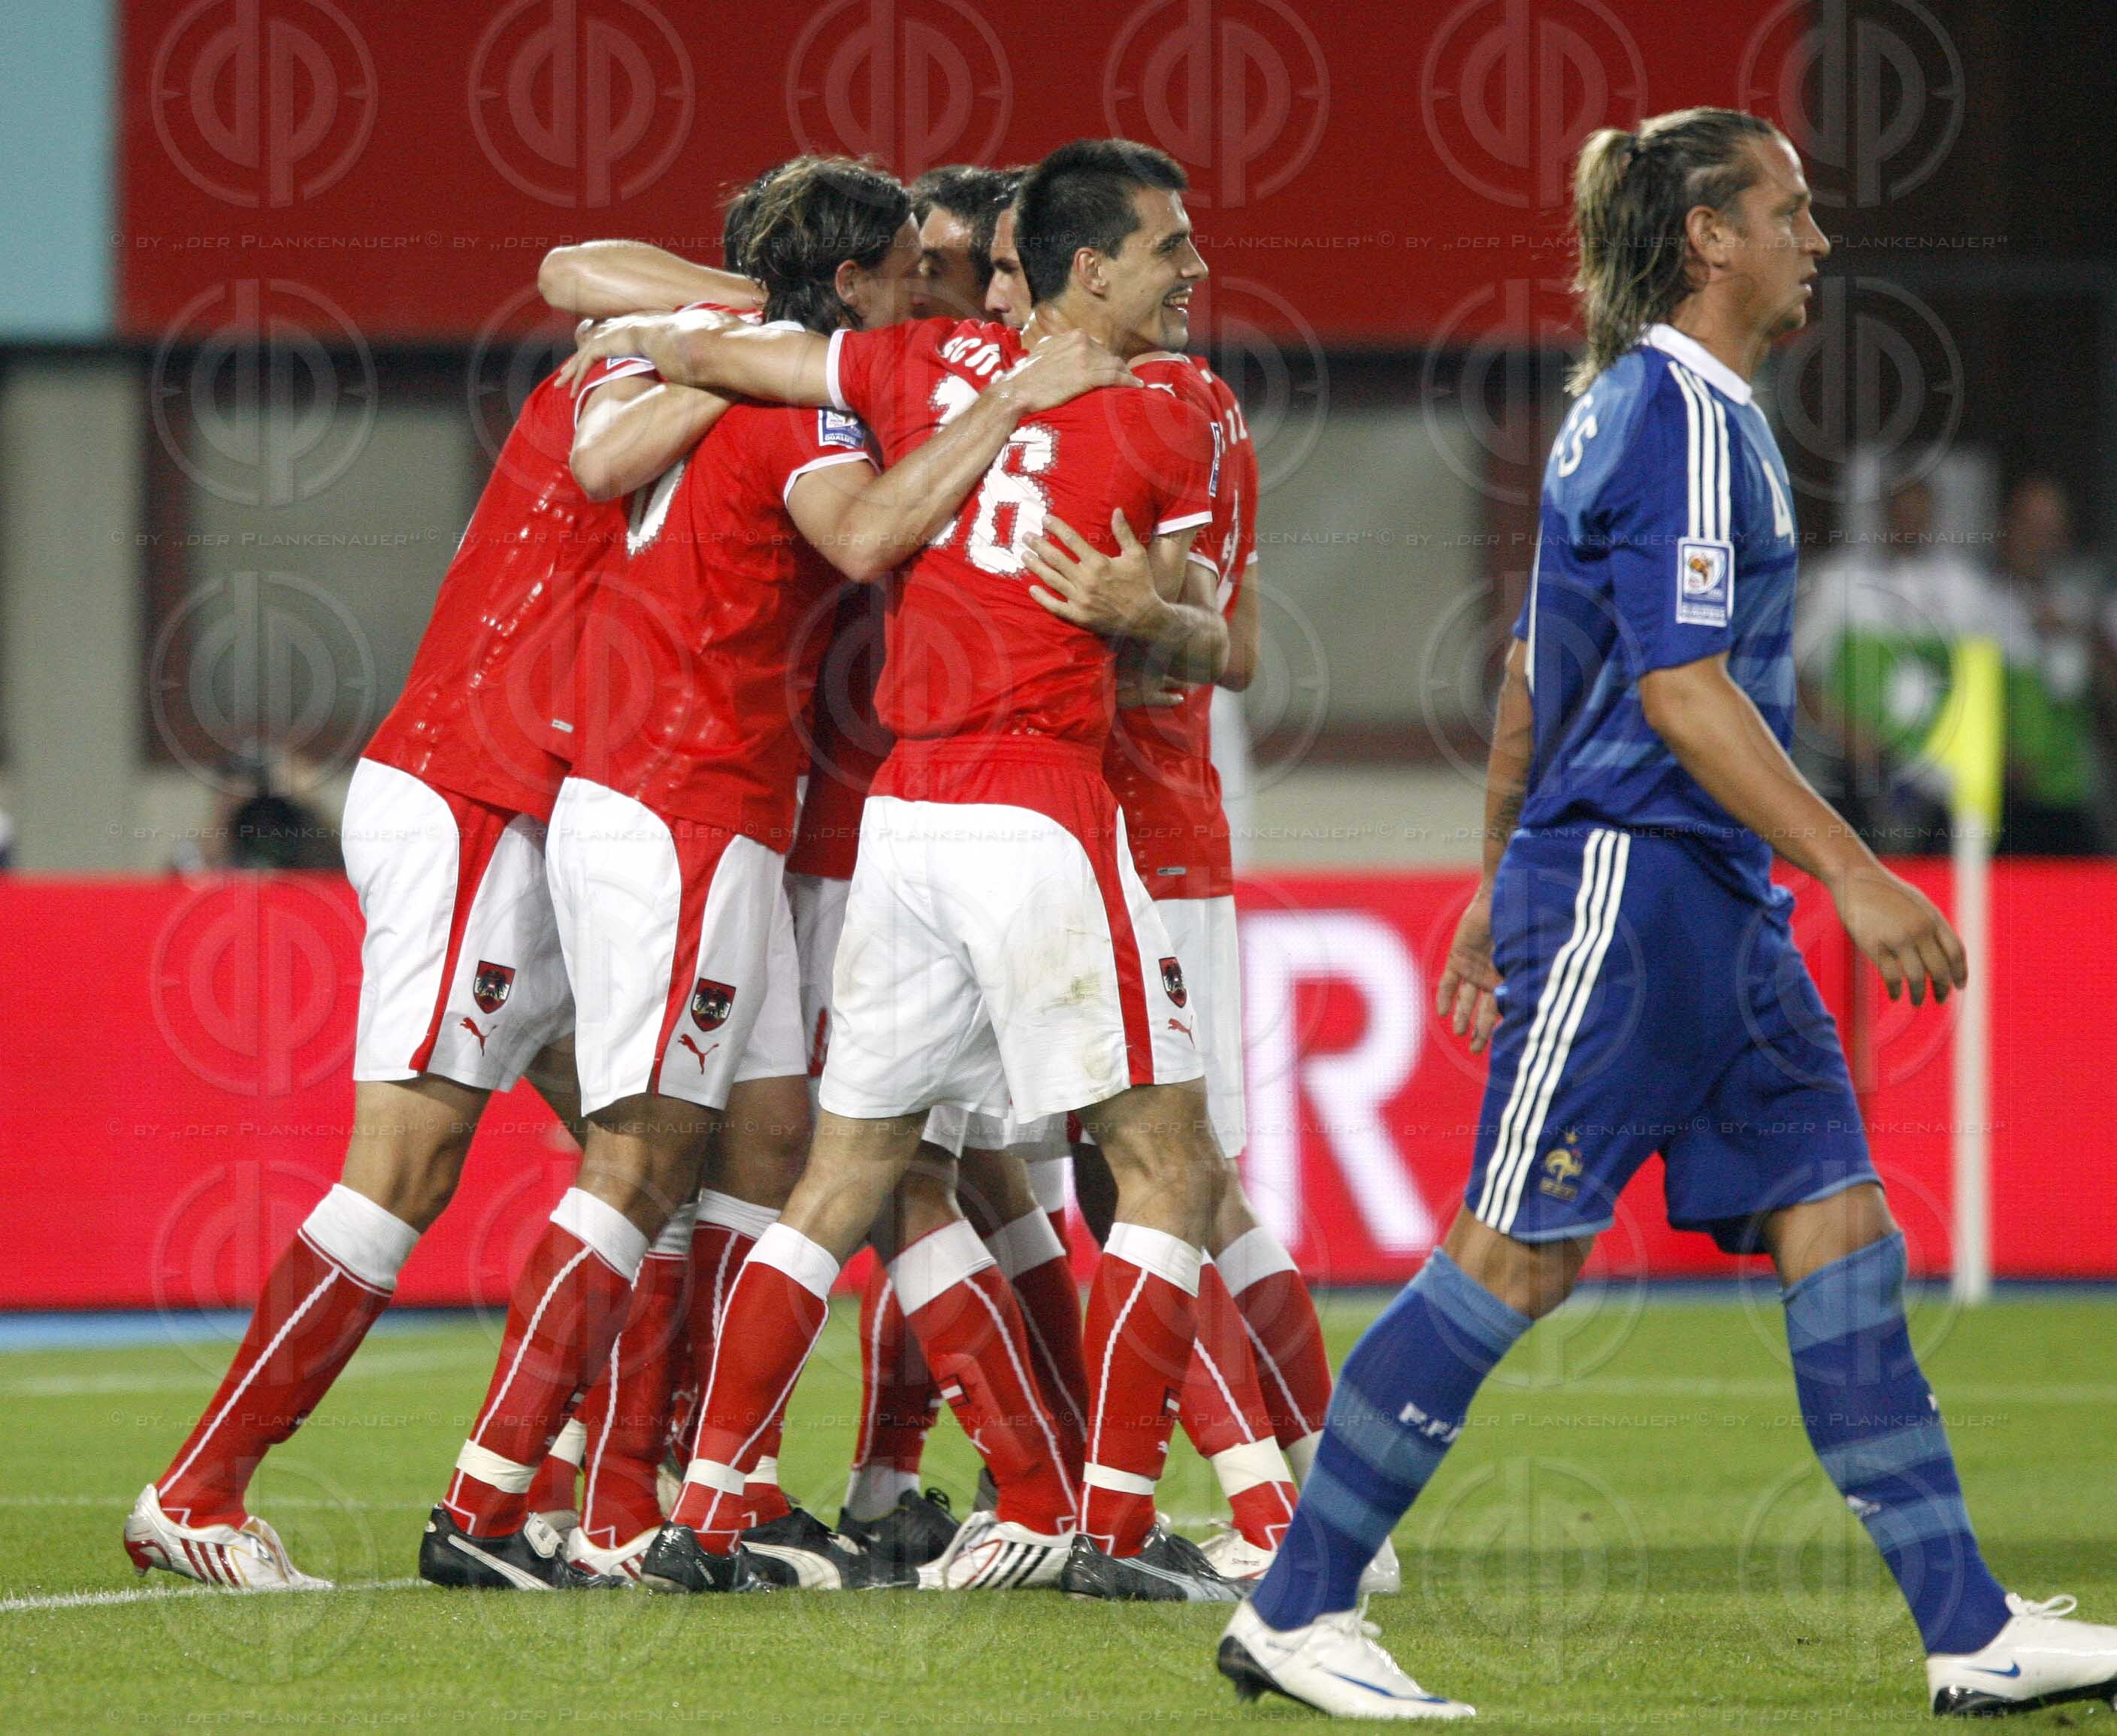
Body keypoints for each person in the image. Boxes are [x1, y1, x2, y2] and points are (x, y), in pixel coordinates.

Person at [1218, 107, 2117, 1721]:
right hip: (1640, 888)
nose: (1817, 242)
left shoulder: (1630, 410)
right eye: (1790, 211)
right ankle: (1295, 1607)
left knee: (1837, 1227)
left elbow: (1527, 670)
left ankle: (1967, 1626)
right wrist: (1850, 866)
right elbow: (1677, 690)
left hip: (1702, 901)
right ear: (1710, 239)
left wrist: (1495, 875)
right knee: (1511, 1259)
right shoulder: (1684, 418)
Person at [420, 156, 1136, 1592]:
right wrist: (1002, 406)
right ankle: (503, 1503)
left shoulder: (697, 380)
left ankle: (684, 1490)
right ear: (854, 286)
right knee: (645, 1161)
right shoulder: (794, 404)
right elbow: (868, 532)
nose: (927, 300)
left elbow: (592, 354)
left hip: (697, 802)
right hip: (680, 796)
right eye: (904, 276)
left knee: (757, 1146)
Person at [560, 138, 1241, 1600]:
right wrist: (1149, 609)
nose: (1190, 274)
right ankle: (1117, 1534)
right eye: (1170, 250)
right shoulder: (1164, 420)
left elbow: (743, 370)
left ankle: (713, 1504)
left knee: (844, 1175)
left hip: (902, 822)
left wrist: (635, 341)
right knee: (1167, 1165)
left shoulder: (910, 365)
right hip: (1040, 807)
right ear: (1092, 268)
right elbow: (1204, 647)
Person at [122, 256, 756, 1590]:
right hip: (480, 792)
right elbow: (572, 285)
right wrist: (741, 320)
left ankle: (584, 1501)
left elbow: (576, 272)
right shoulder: (674, 355)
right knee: (405, 1167)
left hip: (544, 812)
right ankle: (198, 1493)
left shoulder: (680, 353)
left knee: (646, 1162)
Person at [1794, 471, 2011, 852]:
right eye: (1902, 514)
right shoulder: (1837, 579)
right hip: (1858, 770)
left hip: (1941, 776)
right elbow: (1799, 675)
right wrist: (1845, 733)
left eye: (1920, 515)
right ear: (1882, 514)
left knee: (1943, 883)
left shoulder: (1966, 586)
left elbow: (1990, 679)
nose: (1910, 525)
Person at [1990, 474, 2110, 853]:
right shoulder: (1973, 599)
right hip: (1996, 796)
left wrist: (2083, 636)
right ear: (2007, 528)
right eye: (2032, 526)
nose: (2042, 542)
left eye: (2052, 529)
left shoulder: (2081, 599)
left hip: (2072, 794)